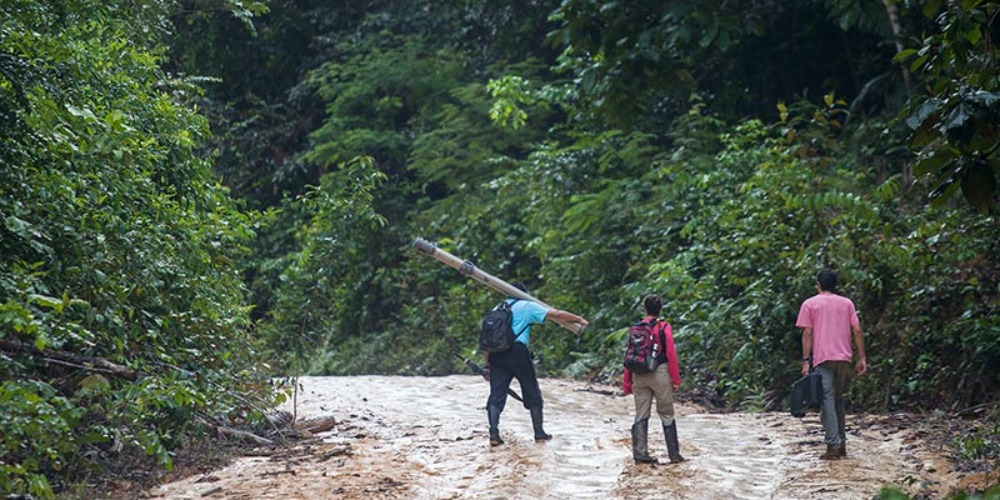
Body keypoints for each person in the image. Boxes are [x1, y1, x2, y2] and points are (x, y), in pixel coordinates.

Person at [482, 282, 588, 446]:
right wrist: (578, 319)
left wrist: (486, 365)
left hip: (496, 355)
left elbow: (487, 340)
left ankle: (494, 433)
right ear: (524, 293)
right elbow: (557, 314)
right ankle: (539, 432)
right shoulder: (527, 306)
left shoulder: (497, 308)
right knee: (531, 389)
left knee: (496, 394)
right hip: (517, 352)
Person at [796, 269, 868, 460]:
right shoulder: (847, 303)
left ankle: (833, 445)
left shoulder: (810, 304)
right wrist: (862, 358)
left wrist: (805, 361)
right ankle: (841, 443)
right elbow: (858, 330)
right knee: (837, 400)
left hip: (823, 359)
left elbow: (808, 334)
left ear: (818, 284)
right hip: (844, 358)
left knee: (827, 401)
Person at [623, 294, 685, 464]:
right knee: (666, 413)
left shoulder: (636, 328)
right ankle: (674, 454)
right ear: (660, 309)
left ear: (645, 309)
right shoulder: (663, 327)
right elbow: (671, 353)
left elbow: (630, 355)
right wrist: (676, 379)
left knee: (641, 414)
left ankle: (640, 453)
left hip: (639, 374)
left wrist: (627, 381)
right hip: (660, 372)